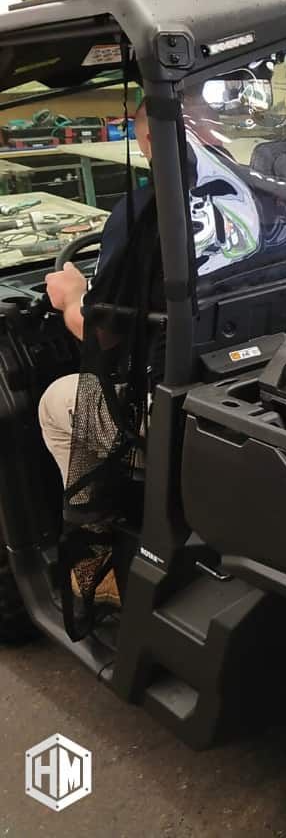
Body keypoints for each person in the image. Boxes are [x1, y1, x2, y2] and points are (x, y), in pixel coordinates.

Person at [37, 103, 153, 608]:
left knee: (57, 399)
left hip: (166, 410)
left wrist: (70, 298)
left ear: (146, 139)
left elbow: (103, 336)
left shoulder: (146, 212)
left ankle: (97, 551)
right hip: (229, 372)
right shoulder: (266, 195)